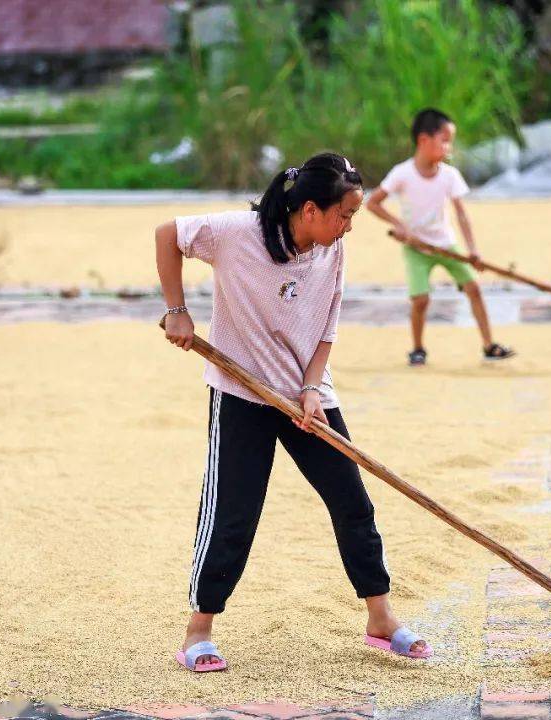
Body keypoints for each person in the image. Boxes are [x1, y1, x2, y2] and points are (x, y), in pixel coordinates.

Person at [154, 152, 432, 672]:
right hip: (241, 394)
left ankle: (380, 618)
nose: (348, 227)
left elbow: (327, 325)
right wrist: (177, 310)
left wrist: (310, 389)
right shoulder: (237, 233)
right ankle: (198, 631)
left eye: (353, 217)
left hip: (308, 396)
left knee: (353, 502)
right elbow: (167, 233)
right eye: (343, 216)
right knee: (232, 514)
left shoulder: (332, 250)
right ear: (309, 209)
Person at [366, 108, 516, 366]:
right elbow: (373, 203)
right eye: (444, 140)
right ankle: (417, 348)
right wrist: (399, 225)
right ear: (423, 140)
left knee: (474, 288)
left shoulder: (449, 176)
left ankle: (489, 345)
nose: (449, 147)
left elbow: (462, 215)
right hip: (417, 249)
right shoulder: (402, 173)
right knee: (421, 299)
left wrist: (472, 251)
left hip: (447, 244)